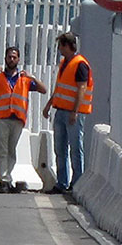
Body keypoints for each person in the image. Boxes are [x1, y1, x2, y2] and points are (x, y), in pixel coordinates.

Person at [0, 46, 47, 193]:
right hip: (1, 118)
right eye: (9, 57)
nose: (11, 59)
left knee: (11, 150)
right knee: (2, 149)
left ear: (18, 59)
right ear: (5, 58)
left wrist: (33, 77)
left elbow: (43, 89)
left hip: (17, 118)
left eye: (14, 57)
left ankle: (8, 176)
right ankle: (4, 180)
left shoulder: (25, 79)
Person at [41, 32, 93, 195]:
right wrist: (49, 104)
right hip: (61, 110)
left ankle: (77, 183)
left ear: (67, 46)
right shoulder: (65, 63)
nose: (60, 50)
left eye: (61, 46)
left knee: (75, 148)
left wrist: (75, 111)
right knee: (60, 149)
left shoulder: (80, 64)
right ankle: (62, 182)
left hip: (72, 113)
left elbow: (82, 88)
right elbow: (60, 88)